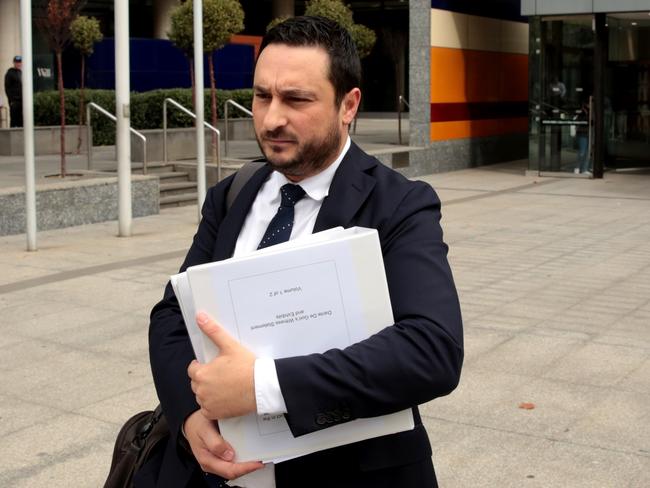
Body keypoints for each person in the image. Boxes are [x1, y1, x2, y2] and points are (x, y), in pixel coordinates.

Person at [146, 16, 463, 488]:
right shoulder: (232, 194)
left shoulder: (399, 204)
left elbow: (431, 350)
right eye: (261, 96)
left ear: (348, 105)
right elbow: (173, 315)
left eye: (296, 99)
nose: (272, 118)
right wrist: (192, 415)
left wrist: (260, 386)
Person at [4, 55, 22, 128]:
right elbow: (7, 87)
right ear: (14, 63)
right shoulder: (10, 73)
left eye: (20, 62)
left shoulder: (20, 72)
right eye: (17, 62)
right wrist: (11, 100)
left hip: (21, 100)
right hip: (14, 101)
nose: (18, 64)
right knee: (14, 119)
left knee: (21, 119)